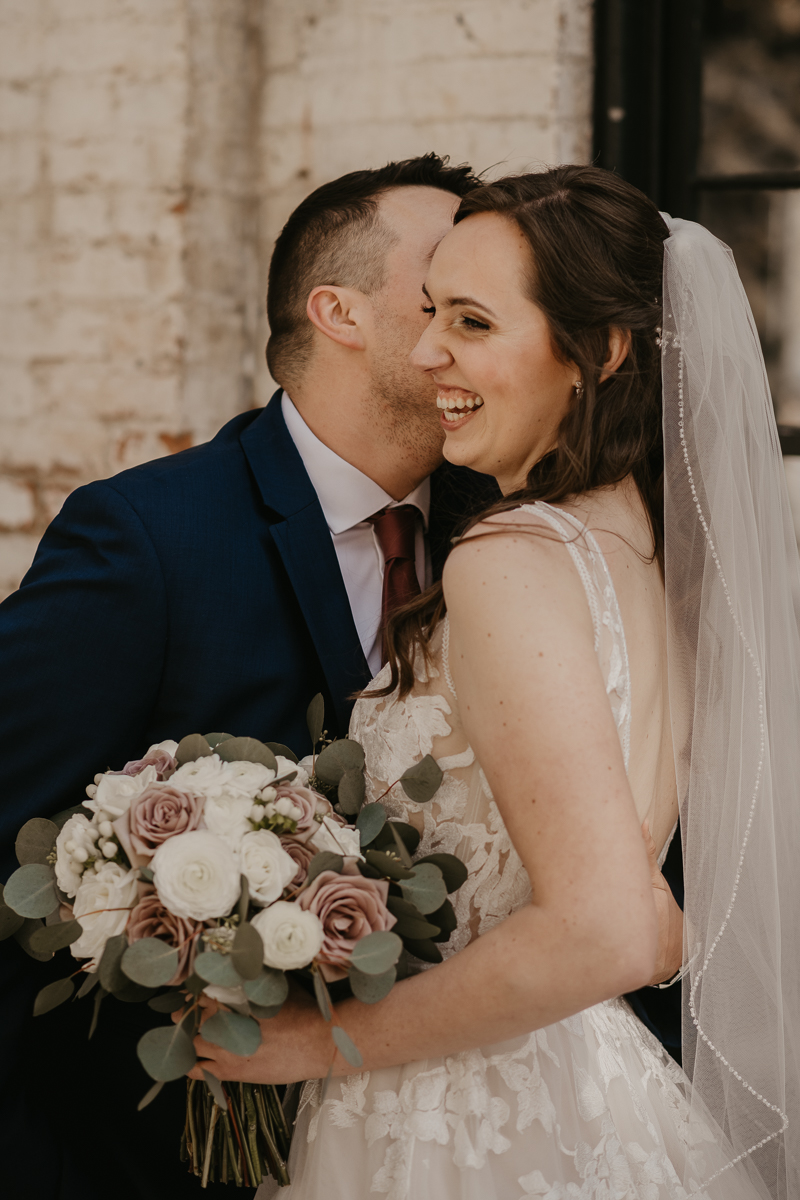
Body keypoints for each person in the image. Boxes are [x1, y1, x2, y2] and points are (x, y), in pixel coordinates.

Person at [192, 167, 799, 1199]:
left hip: (462, 1119)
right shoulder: (649, 553)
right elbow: (646, 918)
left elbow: (602, 926)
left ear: (598, 353)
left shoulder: (506, 561)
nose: (428, 353)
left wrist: (310, 1045)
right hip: (591, 1082)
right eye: (428, 314)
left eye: (469, 323)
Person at [0, 154, 493, 1200]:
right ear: (339, 312)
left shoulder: (506, 541)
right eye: (442, 293)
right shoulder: (147, 537)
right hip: (158, 1149)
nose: (470, 325)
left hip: (438, 1128)